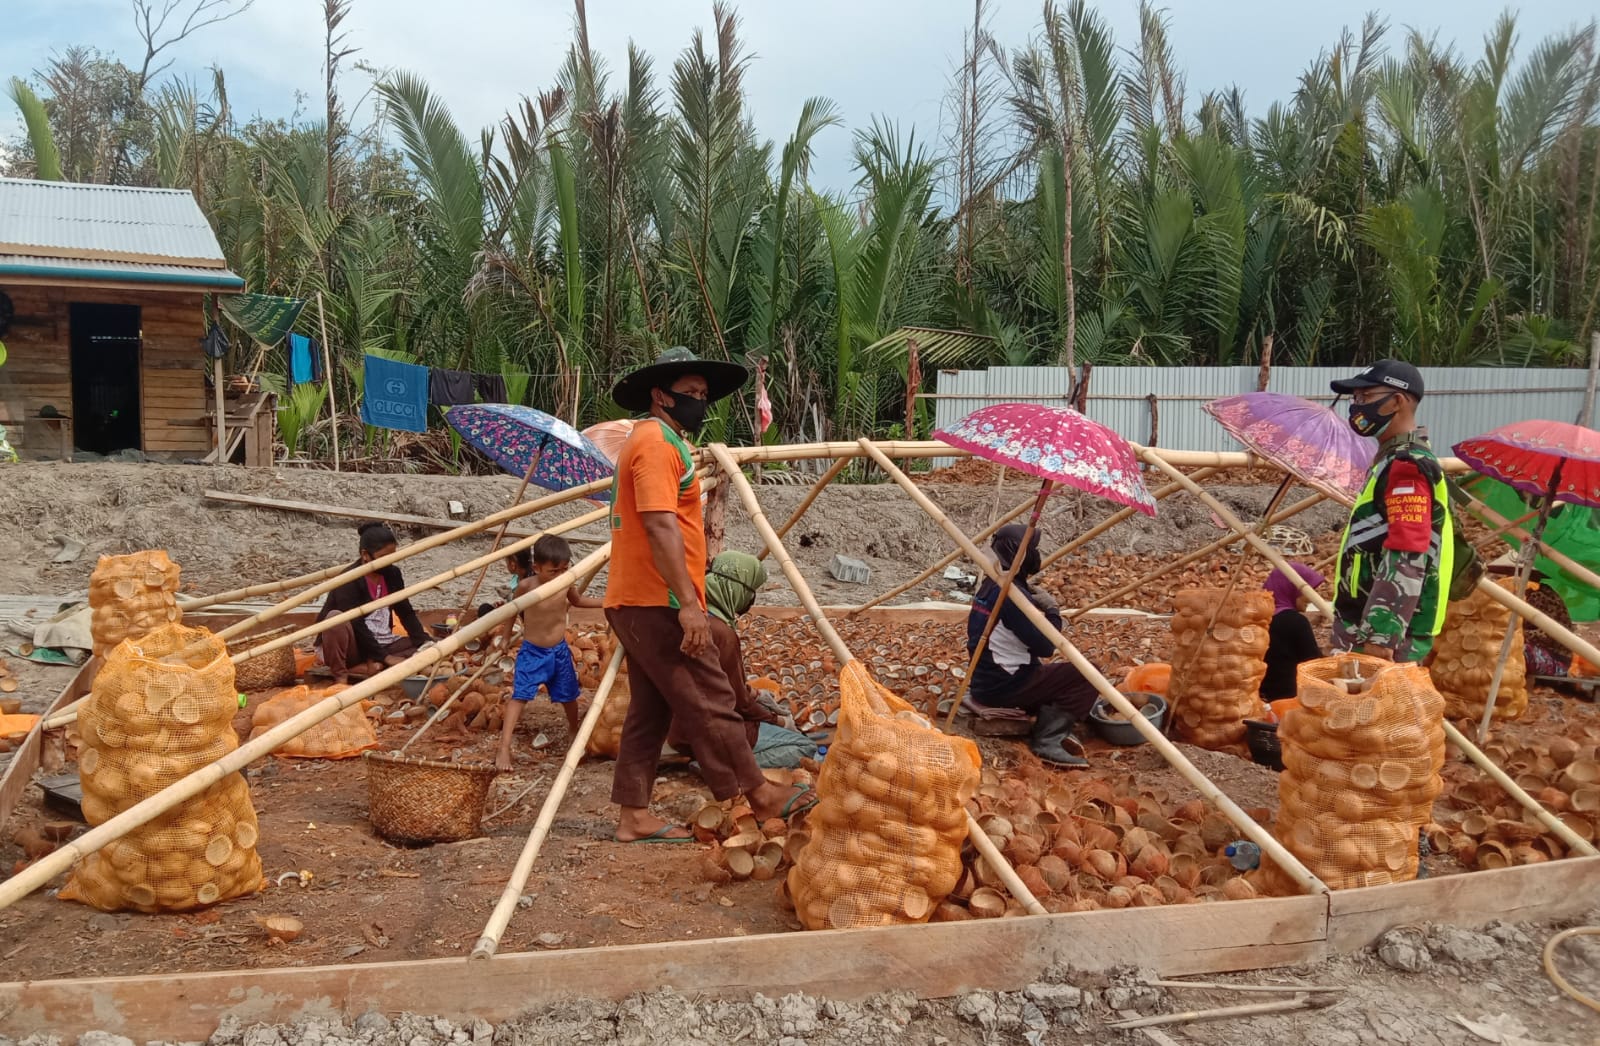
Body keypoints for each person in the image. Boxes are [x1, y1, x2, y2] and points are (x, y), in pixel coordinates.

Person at [604, 347, 817, 842]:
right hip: (657, 599)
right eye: (690, 393)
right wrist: (689, 605)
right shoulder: (656, 444)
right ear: (661, 396)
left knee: (650, 710)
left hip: (638, 598)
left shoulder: (657, 440)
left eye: (703, 394)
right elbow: (660, 526)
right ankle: (758, 794)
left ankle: (633, 815)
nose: (700, 401)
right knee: (712, 699)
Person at [1329, 360, 1454, 664]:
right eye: (1355, 398)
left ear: (1397, 401)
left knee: (1372, 698)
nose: (1357, 407)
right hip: (1366, 624)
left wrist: (1381, 637)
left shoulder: (1407, 466)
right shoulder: (1392, 461)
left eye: (1366, 397)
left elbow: (1407, 554)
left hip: (1380, 634)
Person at [966, 523, 1099, 768]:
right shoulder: (1012, 597)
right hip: (1006, 685)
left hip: (984, 681)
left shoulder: (991, 584)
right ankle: (1048, 740)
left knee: (1058, 676)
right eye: (1033, 550)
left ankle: (1053, 719)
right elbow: (1046, 646)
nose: (1037, 555)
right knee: (1089, 674)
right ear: (1020, 554)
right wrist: (1053, 611)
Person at [494, 535, 604, 769]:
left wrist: (606, 601)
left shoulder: (566, 582)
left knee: (569, 695)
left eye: (564, 569)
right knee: (520, 695)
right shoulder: (526, 586)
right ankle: (504, 747)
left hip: (559, 651)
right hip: (533, 652)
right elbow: (511, 611)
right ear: (537, 568)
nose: (559, 575)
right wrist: (505, 637)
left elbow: (578, 600)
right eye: (553, 571)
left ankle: (573, 732)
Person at [667, 551, 787, 759]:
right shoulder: (722, 633)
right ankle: (720, 765)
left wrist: (756, 695)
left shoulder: (689, 617)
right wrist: (777, 720)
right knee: (801, 746)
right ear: (738, 589)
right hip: (709, 732)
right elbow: (738, 701)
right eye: (750, 591)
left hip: (676, 728)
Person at [316, 522, 429, 685]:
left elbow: (405, 611)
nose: (389, 563)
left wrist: (425, 643)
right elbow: (356, 624)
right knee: (335, 619)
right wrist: (385, 657)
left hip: (381, 642)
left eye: (392, 557)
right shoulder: (348, 579)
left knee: (427, 645)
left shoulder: (393, 574)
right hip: (352, 646)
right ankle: (341, 674)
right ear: (365, 555)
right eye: (383, 558)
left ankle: (370, 664)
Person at [1260, 562, 1325, 701]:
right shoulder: (1295, 622)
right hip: (1289, 700)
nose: (1310, 597)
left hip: (1257, 697)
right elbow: (1313, 664)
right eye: (1307, 592)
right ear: (1291, 589)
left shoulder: (1257, 618)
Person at [1523, 571, 1574, 678]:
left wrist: (1518, 634)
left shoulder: (1539, 595)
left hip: (1556, 659)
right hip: (1541, 651)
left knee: (1516, 649)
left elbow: (1545, 636)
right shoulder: (1522, 594)